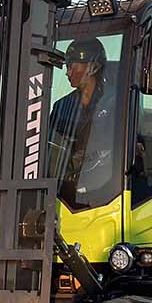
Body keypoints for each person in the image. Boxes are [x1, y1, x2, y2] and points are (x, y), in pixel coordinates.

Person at [48, 38, 112, 196]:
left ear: (93, 67)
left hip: (106, 186)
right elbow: (50, 148)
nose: (68, 73)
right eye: (67, 67)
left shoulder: (115, 102)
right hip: (67, 186)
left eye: (73, 67)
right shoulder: (61, 106)